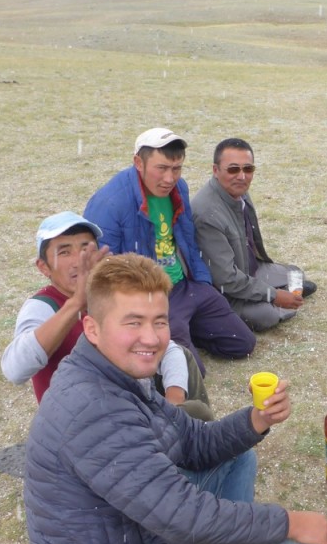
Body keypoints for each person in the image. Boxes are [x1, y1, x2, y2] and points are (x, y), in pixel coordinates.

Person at [24, 253, 327, 544]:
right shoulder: (95, 410)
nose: (152, 338)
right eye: (132, 322)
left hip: (136, 538)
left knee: (236, 456)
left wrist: (256, 420)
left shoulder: (114, 371)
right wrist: (287, 522)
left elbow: (193, 441)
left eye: (159, 321)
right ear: (93, 328)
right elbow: (184, 516)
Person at [0, 211, 212, 419]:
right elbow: (15, 370)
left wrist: (174, 398)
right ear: (43, 267)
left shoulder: (108, 294)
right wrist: (75, 304)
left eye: (86, 249)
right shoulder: (43, 306)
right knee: (199, 416)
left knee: (183, 362)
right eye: (64, 252)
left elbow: (167, 347)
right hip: (81, 418)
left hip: (126, 400)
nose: (78, 261)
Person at [83, 128, 256, 374]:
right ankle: (171, 335)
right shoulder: (110, 203)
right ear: (138, 163)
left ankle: (184, 329)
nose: (169, 178)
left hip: (186, 286)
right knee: (192, 374)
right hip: (151, 297)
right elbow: (104, 274)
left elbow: (188, 240)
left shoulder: (179, 188)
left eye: (176, 169)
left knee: (242, 344)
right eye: (161, 168)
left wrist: (204, 284)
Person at [191, 137, 316, 332]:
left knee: (295, 274)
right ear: (216, 170)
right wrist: (274, 296)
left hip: (250, 269)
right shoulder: (207, 214)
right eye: (233, 169)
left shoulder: (239, 191)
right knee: (265, 316)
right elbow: (226, 280)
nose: (242, 176)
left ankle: (278, 292)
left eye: (248, 169)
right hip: (225, 290)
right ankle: (277, 298)